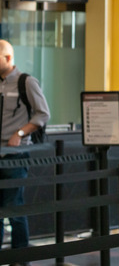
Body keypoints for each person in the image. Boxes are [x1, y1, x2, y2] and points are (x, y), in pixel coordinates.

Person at [0, 39, 50, 254]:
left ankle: (20, 256)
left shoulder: (26, 82)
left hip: (15, 156)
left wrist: (19, 133)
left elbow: (43, 113)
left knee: (14, 208)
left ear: (8, 58)